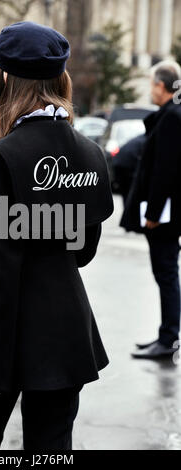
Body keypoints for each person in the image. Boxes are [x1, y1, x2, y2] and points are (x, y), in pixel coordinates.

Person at [0, 21, 114, 451]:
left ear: (5, 80)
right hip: (66, 332)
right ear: (61, 77)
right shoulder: (90, 152)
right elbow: (83, 250)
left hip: (5, 339)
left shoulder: (1, 159)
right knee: (52, 451)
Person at [121, 61, 181, 359]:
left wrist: (154, 214)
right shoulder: (170, 115)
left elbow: (165, 171)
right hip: (166, 214)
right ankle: (166, 334)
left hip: (165, 217)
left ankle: (169, 337)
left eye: (151, 84)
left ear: (161, 85)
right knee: (166, 273)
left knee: (166, 274)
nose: (150, 90)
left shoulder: (172, 117)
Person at [112, 134, 146, 206]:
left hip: (118, 163)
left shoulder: (139, 139)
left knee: (126, 193)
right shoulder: (146, 140)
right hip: (126, 166)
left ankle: (127, 211)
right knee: (131, 192)